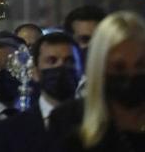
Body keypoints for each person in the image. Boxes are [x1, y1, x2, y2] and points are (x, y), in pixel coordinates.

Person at [60, 10, 145, 151]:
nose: (131, 74)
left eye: (140, 65)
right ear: (100, 66)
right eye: (119, 67)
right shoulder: (68, 120)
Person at [0, 29, 82, 152]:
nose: (60, 66)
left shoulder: (96, 122)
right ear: (35, 72)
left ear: (81, 69)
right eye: (52, 61)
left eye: (69, 61)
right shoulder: (10, 130)